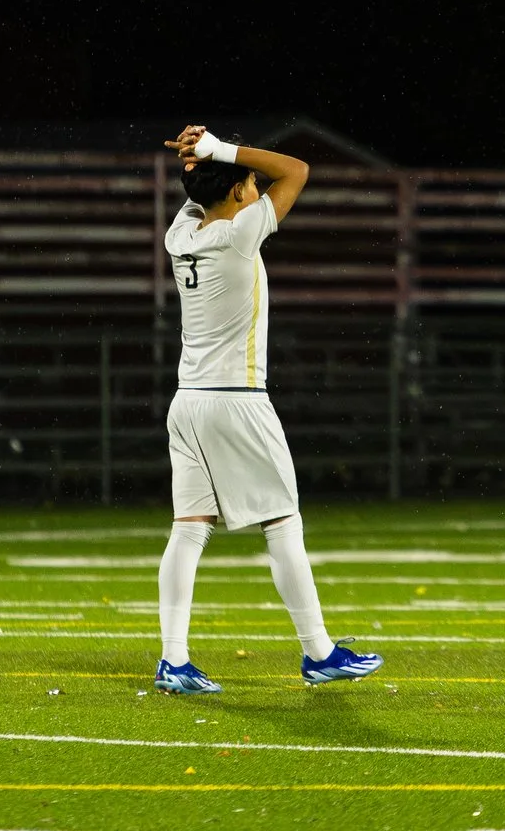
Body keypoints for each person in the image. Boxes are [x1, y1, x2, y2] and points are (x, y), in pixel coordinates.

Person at [151, 126, 381, 694]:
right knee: (282, 524)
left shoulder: (180, 234)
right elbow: (296, 169)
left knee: (189, 530)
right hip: (237, 400)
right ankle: (319, 652)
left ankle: (173, 661)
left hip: (188, 402)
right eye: (249, 185)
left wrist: (203, 161)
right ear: (235, 194)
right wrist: (220, 151)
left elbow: (203, 194)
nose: (256, 191)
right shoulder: (238, 234)